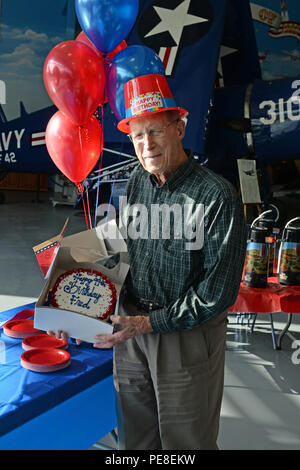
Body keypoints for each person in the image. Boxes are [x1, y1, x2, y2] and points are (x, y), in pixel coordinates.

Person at [54, 74, 247, 450]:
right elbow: (117, 244)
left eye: (155, 131)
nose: (147, 145)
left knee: (186, 441)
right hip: (131, 328)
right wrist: (69, 309)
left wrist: (148, 323)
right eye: (137, 135)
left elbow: (217, 294)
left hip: (185, 337)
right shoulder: (138, 182)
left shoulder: (216, 196)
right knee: (135, 436)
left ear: (179, 128)